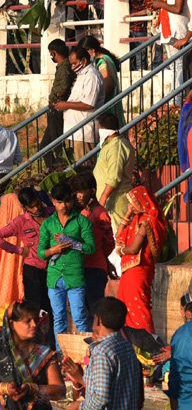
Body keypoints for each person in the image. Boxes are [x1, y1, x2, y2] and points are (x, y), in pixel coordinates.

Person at [38, 180, 96, 335]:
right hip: (54, 277)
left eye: (67, 201)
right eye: (59, 202)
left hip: (75, 276)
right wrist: (53, 250)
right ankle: (61, 355)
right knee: (59, 318)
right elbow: (40, 253)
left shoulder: (81, 221)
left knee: (80, 318)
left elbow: (91, 248)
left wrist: (72, 243)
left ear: (72, 199)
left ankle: (85, 356)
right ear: (53, 202)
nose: (64, 206)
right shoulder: (48, 224)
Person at [0, 186, 50, 324]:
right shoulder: (20, 221)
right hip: (32, 270)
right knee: (34, 307)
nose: (37, 209)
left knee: (52, 307)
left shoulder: (52, 214)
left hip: (53, 268)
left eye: (38, 204)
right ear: (25, 207)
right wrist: (20, 251)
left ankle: (53, 342)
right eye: (32, 207)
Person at [115, 186, 168, 334]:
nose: (130, 205)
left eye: (132, 202)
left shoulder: (147, 222)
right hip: (130, 271)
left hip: (138, 271)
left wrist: (121, 250)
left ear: (141, 201)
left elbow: (133, 249)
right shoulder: (137, 219)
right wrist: (128, 213)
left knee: (139, 309)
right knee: (126, 308)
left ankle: (147, 346)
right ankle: (131, 345)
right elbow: (119, 235)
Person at [70, 172, 115, 306]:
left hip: (95, 268)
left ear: (92, 191)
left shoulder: (100, 214)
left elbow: (109, 242)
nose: (78, 196)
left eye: (81, 192)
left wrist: (103, 257)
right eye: (76, 192)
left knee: (94, 308)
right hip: (82, 267)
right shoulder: (83, 213)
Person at [55, 45, 105, 160]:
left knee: (84, 170)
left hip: (84, 133)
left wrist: (65, 105)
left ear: (84, 60)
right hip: (75, 131)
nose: (73, 67)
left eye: (74, 63)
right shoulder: (82, 75)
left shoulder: (92, 76)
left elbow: (89, 103)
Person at [93, 113, 136, 233]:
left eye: (99, 128)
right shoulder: (111, 145)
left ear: (103, 129)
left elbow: (114, 177)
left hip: (115, 201)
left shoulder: (116, 147)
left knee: (119, 235)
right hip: (109, 202)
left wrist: (103, 198)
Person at [40, 39, 76, 168]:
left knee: (56, 145)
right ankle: (54, 169)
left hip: (57, 109)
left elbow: (64, 86)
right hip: (54, 109)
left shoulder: (65, 67)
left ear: (54, 53)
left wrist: (57, 98)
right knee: (45, 146)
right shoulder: (63, 67)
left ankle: (60, 169)